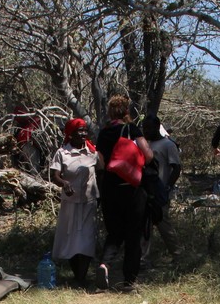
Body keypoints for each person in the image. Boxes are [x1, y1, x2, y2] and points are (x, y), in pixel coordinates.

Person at [95, 94, 154, 291]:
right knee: (133, 234)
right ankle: (129, 281)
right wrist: (135, 164)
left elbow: (101, 163)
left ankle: (105, 264)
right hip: (132, 189)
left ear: (110, 111)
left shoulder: (104, 132)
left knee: (114, 232)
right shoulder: (131, 129)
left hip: (110, 189)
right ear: (126, 111)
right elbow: (148, 154)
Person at [49, 118, 103, 289]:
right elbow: (54, 175)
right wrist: (64, 184)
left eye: (85, 130)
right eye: (79, 131)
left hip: (89, 202)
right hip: (70, 204)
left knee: (86, 239)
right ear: (70, 134)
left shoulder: (92, 152)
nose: (83, 134)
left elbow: (102, 170)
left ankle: (82, 277)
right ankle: (77, 275)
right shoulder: (62, 153)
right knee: (71, 240)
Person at [141, 114, 181, 264]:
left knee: (164, 224)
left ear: (157, 127)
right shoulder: (145, 144)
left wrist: (167, 187)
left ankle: (177, 254)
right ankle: (143, 258)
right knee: (145, 226)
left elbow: (176, 168)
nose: (146, 131)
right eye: (144, 128)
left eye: (149, 128)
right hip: (146, 191)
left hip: (160, 192)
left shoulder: (168, 145)